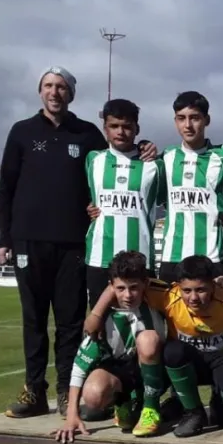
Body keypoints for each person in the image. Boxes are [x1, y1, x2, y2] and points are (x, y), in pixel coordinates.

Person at [0, 65, 157, 419]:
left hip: (73, 245)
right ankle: (34, 390)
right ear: (40, 91)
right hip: (28, 240)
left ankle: (68, 391)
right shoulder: (22, 132)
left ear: (71, 94)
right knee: (34, 319)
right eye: (49, 86)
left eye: (61, 87)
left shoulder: (87, 136)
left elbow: (121, 154)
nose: (55, 92)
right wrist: (4, 237)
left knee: (71, 322)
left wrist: (145, 147)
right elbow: (5, 186)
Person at [53, 251, 167, 443]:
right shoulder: (104, 318)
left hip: (157, 369)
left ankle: (151, 408)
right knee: (93, 395)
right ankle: (125, 402)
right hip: (121, 371)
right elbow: (79, 367)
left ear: (146, 284)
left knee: (148, 340)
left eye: (134, 288)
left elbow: (191, 287)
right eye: (121, 288)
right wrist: (72, 414)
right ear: (112, 287)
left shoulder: (160, 297)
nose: (128, 295)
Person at [83, 99, 163, 308]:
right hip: (100, 258)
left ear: (137, 128)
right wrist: (87, 207)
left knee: (145, 328)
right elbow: (82, 195)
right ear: (105, 129)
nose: (121, 131)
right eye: (114, 126)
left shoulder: (154, 165)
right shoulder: (93, 160)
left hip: (141, 258)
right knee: (101, 326)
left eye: (127, 126)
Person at [158, 91, 223, 282]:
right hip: (173, 256)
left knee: (217, 312)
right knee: (169, 312)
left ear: (206, 120)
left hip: (212, 256)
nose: (187, 125)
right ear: (175, 121)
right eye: (181, 118)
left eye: (194, 118)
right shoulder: (166, 158)